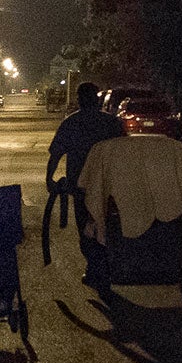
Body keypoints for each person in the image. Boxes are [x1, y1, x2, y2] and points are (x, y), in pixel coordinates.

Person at [46, 81, 125, 285]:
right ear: (97, 99)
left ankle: (95, 267)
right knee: (110, 225)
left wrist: (49, 178)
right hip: (112, 187)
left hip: (82, 187)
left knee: (86, 229)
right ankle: (107, 265)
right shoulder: (112, 123)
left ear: (79, 100)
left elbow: (56, 153)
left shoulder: (72, 123)